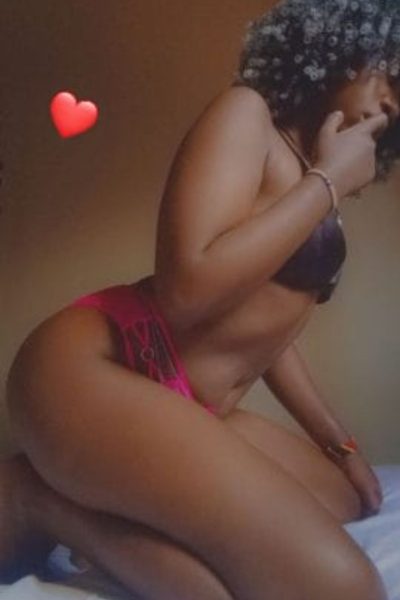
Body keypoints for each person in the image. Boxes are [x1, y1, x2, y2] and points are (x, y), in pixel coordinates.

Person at [3, 0, 400, 598]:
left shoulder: (315, 168)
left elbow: (265, 333)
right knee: (343, 589)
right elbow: (185, 294)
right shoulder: (248, 117)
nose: (394, 103)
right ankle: (45, 502)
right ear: (343, 47)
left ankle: (93, 490)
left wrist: (340, 447)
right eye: (391, 75)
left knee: (341, 501)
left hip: (186, 400)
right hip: (96, 366)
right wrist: (330, 182)